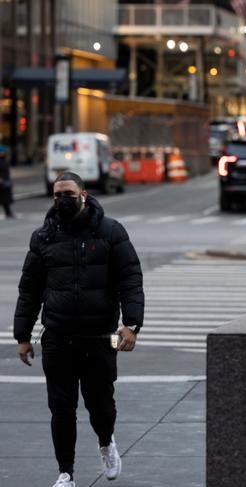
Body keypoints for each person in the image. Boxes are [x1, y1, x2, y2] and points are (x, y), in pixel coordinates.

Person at [13, 172, 144, 487]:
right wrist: (22, 335)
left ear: (83, 194)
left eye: (68, 193)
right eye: (57, 195)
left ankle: (105, 441)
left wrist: (132, 323)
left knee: (101, 405)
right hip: (57, 337)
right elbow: (29, 290)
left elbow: (130, 279)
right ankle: (66, 473)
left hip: (98, 337)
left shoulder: (110, 232)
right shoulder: (43, 237)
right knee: (61, 407)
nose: (62, 200)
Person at [0, 144, 15, 218]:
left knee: (6, 198)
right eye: (4, 152)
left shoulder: (4, 160)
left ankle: (8, 212)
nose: (5, 153)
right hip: (2, 182)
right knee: (5, 198)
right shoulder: (2, 160)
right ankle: (8, 212)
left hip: (5, 181)